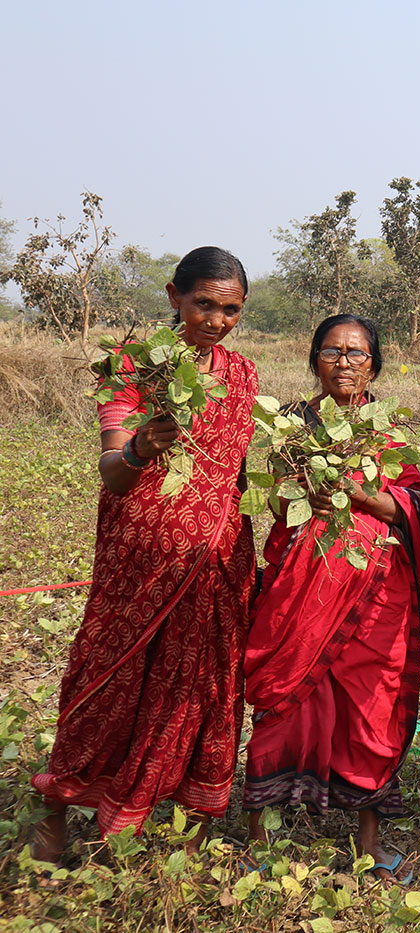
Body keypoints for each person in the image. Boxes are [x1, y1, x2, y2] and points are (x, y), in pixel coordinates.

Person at [30, 247, 257, 863]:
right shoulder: (133, 367)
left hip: (216, 560)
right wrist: (138, 449)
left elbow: (231, 477)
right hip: (141, 557)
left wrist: (239, 552)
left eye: (230, 309)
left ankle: (187, 815)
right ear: (173, 295)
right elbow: (112, 473)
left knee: (201, 689)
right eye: (203, 304)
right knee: (109, 678)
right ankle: (56, 804)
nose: (215, 320)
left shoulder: (242, 376)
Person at [241, 314, 420, 882]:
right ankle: (260, 836)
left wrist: (365, 495)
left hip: (377, 591)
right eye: (332, 350)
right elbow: (277, 509)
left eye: (357, 352)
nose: (345, 361)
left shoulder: (387, 433)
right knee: (283, 703)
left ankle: (370, 843)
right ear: (314, 359)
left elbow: (418, 504)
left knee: (371, 704)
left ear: (374, 363)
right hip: (302, 588)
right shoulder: (289, 433)